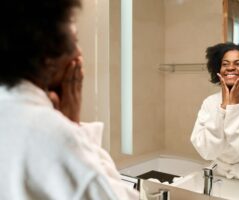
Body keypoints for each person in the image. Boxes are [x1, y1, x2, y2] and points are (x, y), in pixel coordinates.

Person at [0, 0, 138, 199]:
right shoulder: (57, 137)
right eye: (75, 40)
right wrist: (73, 127)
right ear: (48, 55)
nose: (80, 53)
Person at [191, 41, 239, 184]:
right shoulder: (210, 102)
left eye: (238, 63)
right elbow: (207, 151)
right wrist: (223, 108)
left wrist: (235, 106)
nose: (230, 68)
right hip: (218, 178)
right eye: (225, 64)